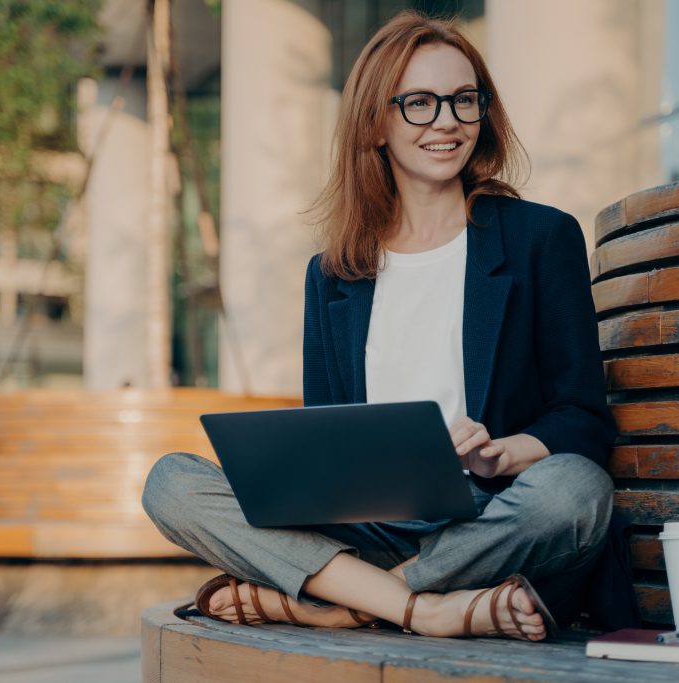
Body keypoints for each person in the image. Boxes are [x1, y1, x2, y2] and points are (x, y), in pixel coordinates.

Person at [142, 10, 616, 641]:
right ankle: (429, 607)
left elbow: (581, 415)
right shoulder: (333, 274)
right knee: (171, 483)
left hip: (489, 516)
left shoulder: (540, 238)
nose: (446, 121)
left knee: (575, 491)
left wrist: (501, 456)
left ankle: (338, 603)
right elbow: (329, 440)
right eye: (419, 103)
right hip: (365, 525)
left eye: (463, 100)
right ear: (376, 123)